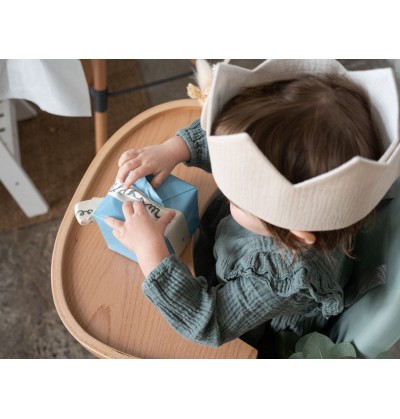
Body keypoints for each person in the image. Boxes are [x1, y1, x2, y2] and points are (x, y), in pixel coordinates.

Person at [104, 61, 386, 351]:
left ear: (294, 233)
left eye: (238, 198)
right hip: (225, 245)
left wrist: (150, 251)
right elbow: (238, 144)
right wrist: (177, 148)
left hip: (246, 321)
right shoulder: (294, 191)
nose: (226, 186)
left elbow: (209, 321)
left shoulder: (282, 277)